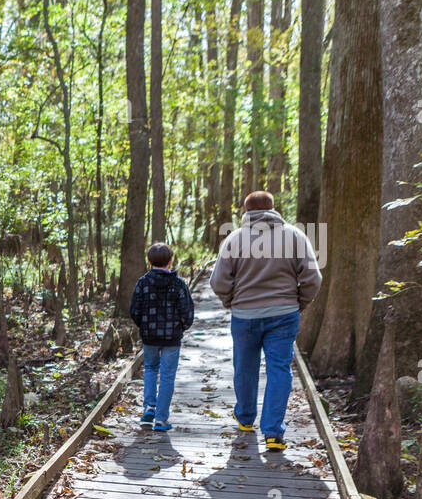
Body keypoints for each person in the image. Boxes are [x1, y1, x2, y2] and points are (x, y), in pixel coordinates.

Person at [210, 190, 322, 451]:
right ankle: (273, 433)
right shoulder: (294, 236)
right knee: (279, 370)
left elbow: (218, 282)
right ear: (273, 208)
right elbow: (312, 278)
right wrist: (298, 303)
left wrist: (231, 301)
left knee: (245, 367)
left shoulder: (235, 239)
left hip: (244, 316)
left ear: (246, 211)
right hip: (283, 315)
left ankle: (246, 419)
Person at [129, 242, 195, 432]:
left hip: (149, 336)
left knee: (150, 368)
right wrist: (181, 327)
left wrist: (144, 325)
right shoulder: (178, 284)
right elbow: (187, 311)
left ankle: (149, 407)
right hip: (172, 338)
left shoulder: (143, 283)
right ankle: (161, 419)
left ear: (149, 262)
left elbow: (135, 310)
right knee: (167, 375)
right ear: (171, 261)